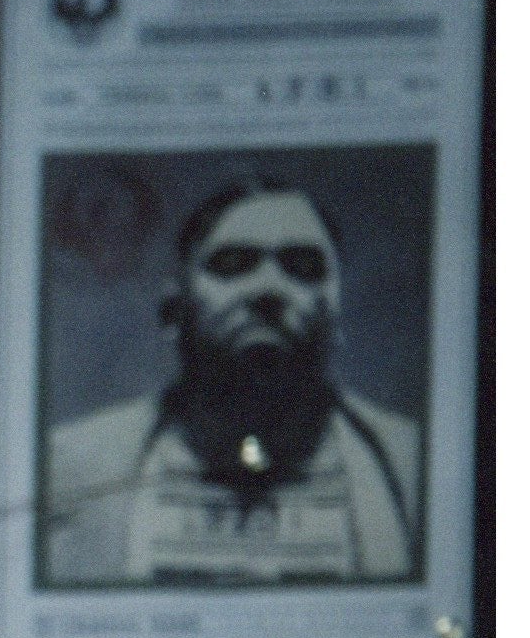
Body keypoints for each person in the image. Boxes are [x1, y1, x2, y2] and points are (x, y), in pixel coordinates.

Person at [43, 176, 423, 585]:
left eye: (302, 267)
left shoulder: (413, 468)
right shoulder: (68, 470)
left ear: (337, 313)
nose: (268, 289)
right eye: (232, 265)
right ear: (173, 311)